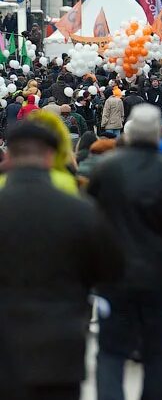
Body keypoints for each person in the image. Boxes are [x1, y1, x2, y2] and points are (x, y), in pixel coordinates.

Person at [0, 121, 123, 400]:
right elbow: (111, 269)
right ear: (49, 156)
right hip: (60, 345)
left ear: (8, 157)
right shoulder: (79, 210)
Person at [87, 104, 162, 400]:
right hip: (159, 276)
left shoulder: (106, 169)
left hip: (114, 276)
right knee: (157, 358)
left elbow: (90, 217)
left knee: (111, 353)